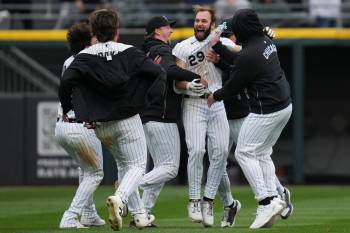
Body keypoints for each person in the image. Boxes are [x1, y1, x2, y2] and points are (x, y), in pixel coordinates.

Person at [58, 9, 166, 231]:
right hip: (126, 118)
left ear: (94, 32)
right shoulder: (129, 51)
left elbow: (66, 83)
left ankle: (139, 215)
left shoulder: (82, 57)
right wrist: (144, 99)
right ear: (117, 31)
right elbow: (157, 73)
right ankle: (120, 199)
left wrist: (72, 108)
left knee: (125, 165)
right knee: (136, 165)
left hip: (100, 125)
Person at [207, 9, 292, 229]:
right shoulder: (264, 40)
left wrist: (214, 96)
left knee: (243, 152)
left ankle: (265, 202)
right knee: (261, 152)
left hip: (267, 109)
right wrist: (219, 41)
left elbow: (234, 84)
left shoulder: (249, 54)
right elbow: (239, 54)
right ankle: (275, 198)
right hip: (284, 105)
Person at [128, 16, 204, 226]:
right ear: (157, 31)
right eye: (167, 27)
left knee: (160, 170)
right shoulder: (160, 50)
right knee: (170, 168)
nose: (171, 31)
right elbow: (170, 70)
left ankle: (141, 214)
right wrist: (193, 75)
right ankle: (126, 190)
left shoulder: (146, 50)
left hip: (148, 115)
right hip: (161, 115)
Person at [172, 5, 237, 227]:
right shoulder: (183, 46)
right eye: (197, 20)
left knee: (220, 154)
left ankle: (208, 200)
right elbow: (177, 80)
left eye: (204, 20)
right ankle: (194, 200)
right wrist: (190, 85)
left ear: (212, 23)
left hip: (216, 102)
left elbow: (243, 54)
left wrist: (264, 36)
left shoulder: (221, 43)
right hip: (193, 103)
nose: (199, 23)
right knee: (197, 150)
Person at [55, 22, 105, 229]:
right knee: (96, 173)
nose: (96, 40)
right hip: (80, 124)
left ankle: (89, 213)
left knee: (85, 169)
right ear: (87, 42)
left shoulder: (69, 61)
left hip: (62, 125)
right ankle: (70, 215)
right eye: (93, 37)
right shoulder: (89, 61)